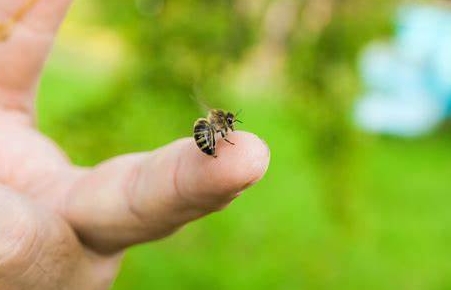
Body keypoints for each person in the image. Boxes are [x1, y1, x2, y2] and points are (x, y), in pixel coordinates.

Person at [0, 1, 270, 289]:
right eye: (228, 123)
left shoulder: (218, 124)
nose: (229, 124)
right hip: (204, 139)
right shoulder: (216, 125)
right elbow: (213, 128)